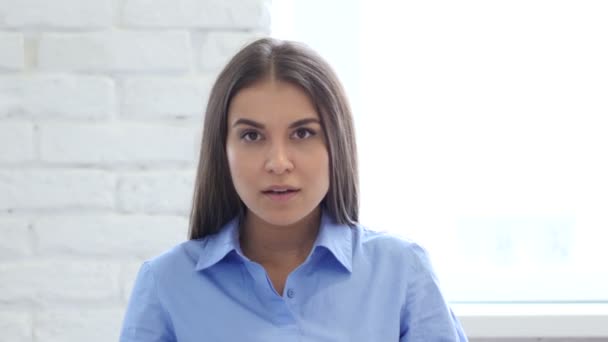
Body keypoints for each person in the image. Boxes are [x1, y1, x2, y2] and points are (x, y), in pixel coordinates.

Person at [120, 37, 468, 341]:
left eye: (303, 133)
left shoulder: (402, 271)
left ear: (336, 143)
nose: (278, 162)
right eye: (252, 136)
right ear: (222, 149)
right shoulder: (166, 283)